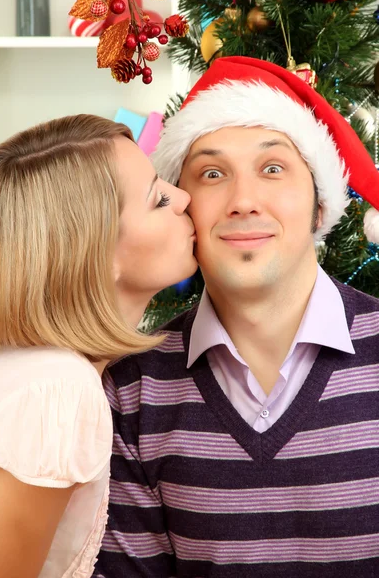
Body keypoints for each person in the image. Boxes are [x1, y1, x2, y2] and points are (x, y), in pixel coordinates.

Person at [96, 57, 379, 578]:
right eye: (211, 173)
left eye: (273, 169)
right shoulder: (130, 388)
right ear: (183, 210)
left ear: (321, 207)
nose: (244, 200)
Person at [0, 113, 197, 578]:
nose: (184, 197)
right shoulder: (59, 392)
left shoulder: (21, 366)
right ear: (96, 254)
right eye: (159, 199)